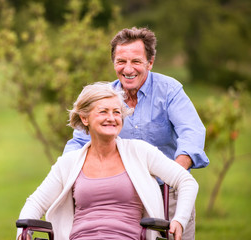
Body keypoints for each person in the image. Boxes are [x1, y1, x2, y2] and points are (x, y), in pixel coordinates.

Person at [63, 27, 209, 240]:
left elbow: (192, 132)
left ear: (150, 63)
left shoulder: (169, 90)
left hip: (168, 190)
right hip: (124, 197)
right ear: (113, 63)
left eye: (136, 61)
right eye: (121, 61)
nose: (128, 69)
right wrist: (67, 174)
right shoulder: (105, 98)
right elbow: (78, 143)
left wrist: (175, 173)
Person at [17, 82, 198, 240]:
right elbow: (36, 202)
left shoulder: (140, 151)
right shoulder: (69, 162)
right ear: (84, 118)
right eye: (103, 112)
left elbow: (186, 181)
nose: (111, 118)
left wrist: (179, 220)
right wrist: (23, 233)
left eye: (116, 112)